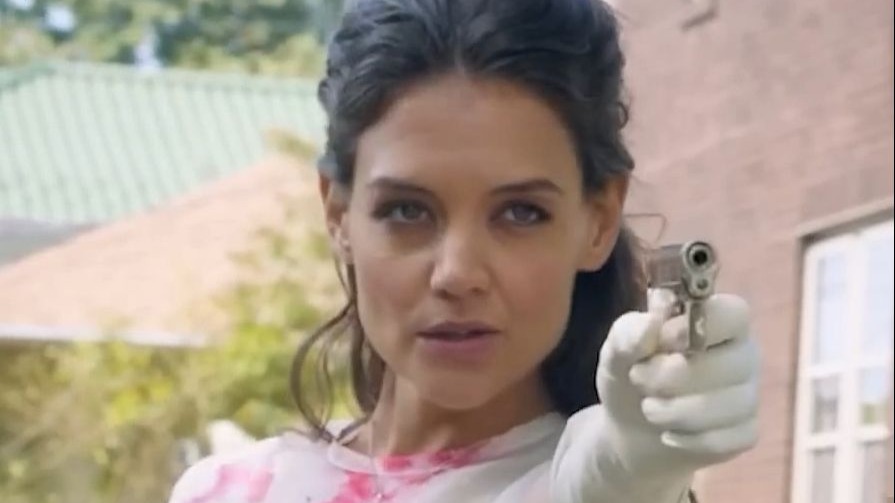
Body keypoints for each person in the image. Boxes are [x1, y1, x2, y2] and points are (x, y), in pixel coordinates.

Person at [167, 0, 760, 501]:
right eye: (407, 211)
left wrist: (631, 480)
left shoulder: (603, 482)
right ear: (338, 213)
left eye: (521, 213)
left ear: (598, 220)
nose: (457, 274)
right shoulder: (227, 490)